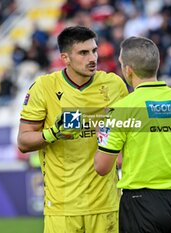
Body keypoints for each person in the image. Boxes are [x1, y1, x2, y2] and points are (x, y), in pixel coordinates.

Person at [94, 36, 171, 233]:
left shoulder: (122, 109)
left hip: (139, 204)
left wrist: (102, 134)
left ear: (128, 70)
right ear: (156, 65)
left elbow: (102, 167)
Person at [17, 26, 128, 233]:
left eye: (94, 51)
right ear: (65, 58)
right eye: (83, 53)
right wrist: (54, 133)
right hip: (62, 207)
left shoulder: (113, 84)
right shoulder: (44, 87)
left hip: (106, 205)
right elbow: (23, 142)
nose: (92, 58)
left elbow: (130, 137)